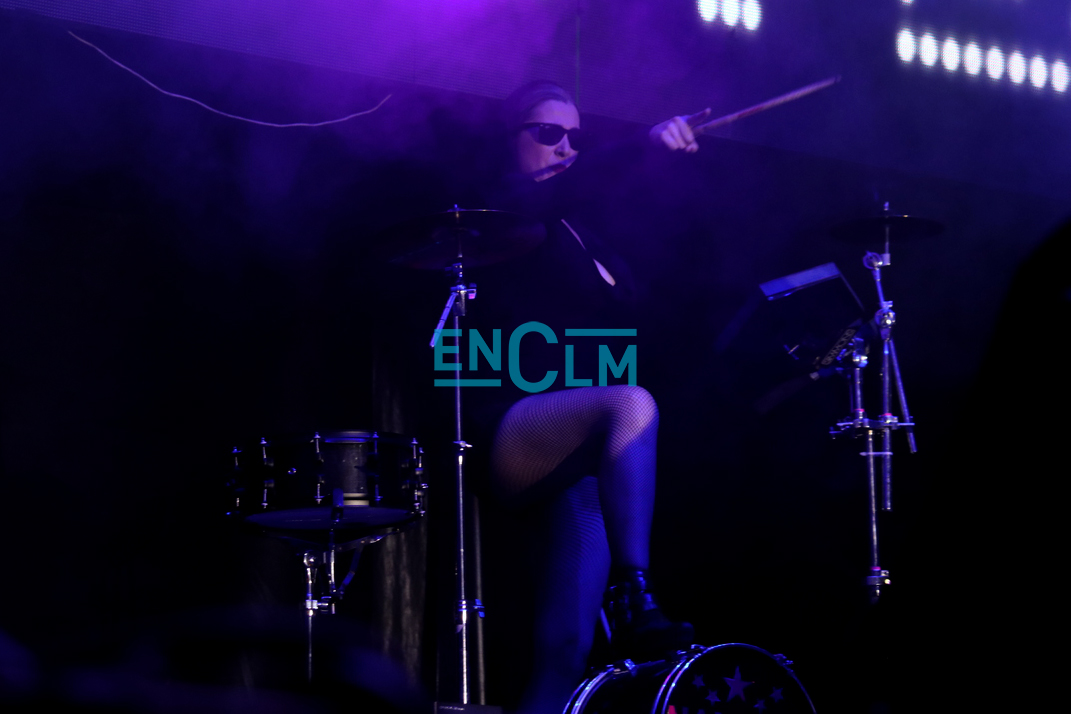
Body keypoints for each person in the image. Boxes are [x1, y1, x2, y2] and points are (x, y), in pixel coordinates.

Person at [465, 81, 711, 714]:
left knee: (567, 653)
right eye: (548, 133)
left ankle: (617, 607)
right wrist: (645, 145)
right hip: (509, 426)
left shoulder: (585, 234)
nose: (565, 148)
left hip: (576, 445)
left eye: (575, 137)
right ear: (510, 139)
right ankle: (634, 593)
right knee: (631, 404)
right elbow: (581, 183)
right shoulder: (506, 205)